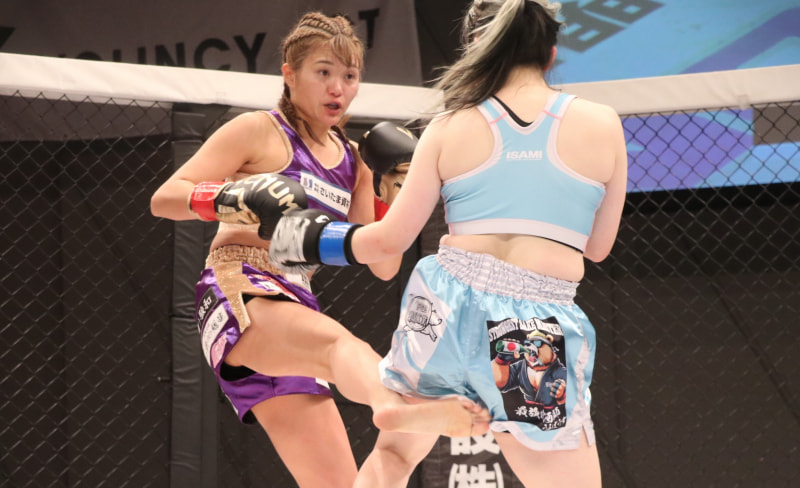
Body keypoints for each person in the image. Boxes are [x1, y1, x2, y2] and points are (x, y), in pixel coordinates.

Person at [268, 0, 628, 486]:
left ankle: (408, 409)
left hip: (444, 302)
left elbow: (388, 240)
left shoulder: (448, 124)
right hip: (532, 325)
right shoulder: (602, 123)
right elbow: (598, 248)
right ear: (551, 53)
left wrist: (307, 239)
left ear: (478, 46)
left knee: (394, 457)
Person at [150, 12, 489, 488]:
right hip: (239, 286)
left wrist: (391, 190)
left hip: (296, 300)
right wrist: (231, 198)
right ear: (289, 75)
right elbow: (164, 198)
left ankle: (393, 405)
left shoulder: (355, 162)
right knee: (342, 347)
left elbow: (384, 264)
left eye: (349, 76)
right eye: (323, 72)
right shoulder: (258, 130)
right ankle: (391, 404)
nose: (338, 88)